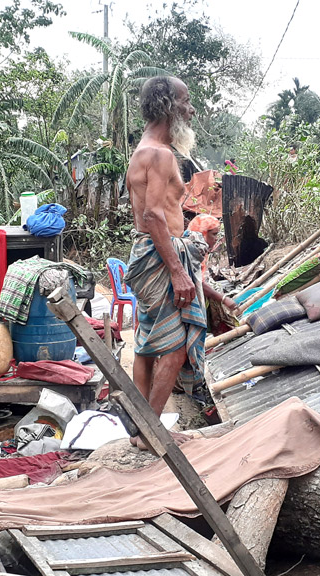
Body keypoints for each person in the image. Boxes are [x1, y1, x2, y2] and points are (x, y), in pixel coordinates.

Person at [122, 75, 206, 417]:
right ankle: (151, 431)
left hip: (148, 254)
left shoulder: (145, 149)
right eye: (185, 101)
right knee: (175, 348)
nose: (191, 109)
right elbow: (154, 215)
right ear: (168, 106)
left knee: (145, 344)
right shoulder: (158, 154)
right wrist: (177, 272)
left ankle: (139, 427)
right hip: (159, 257)